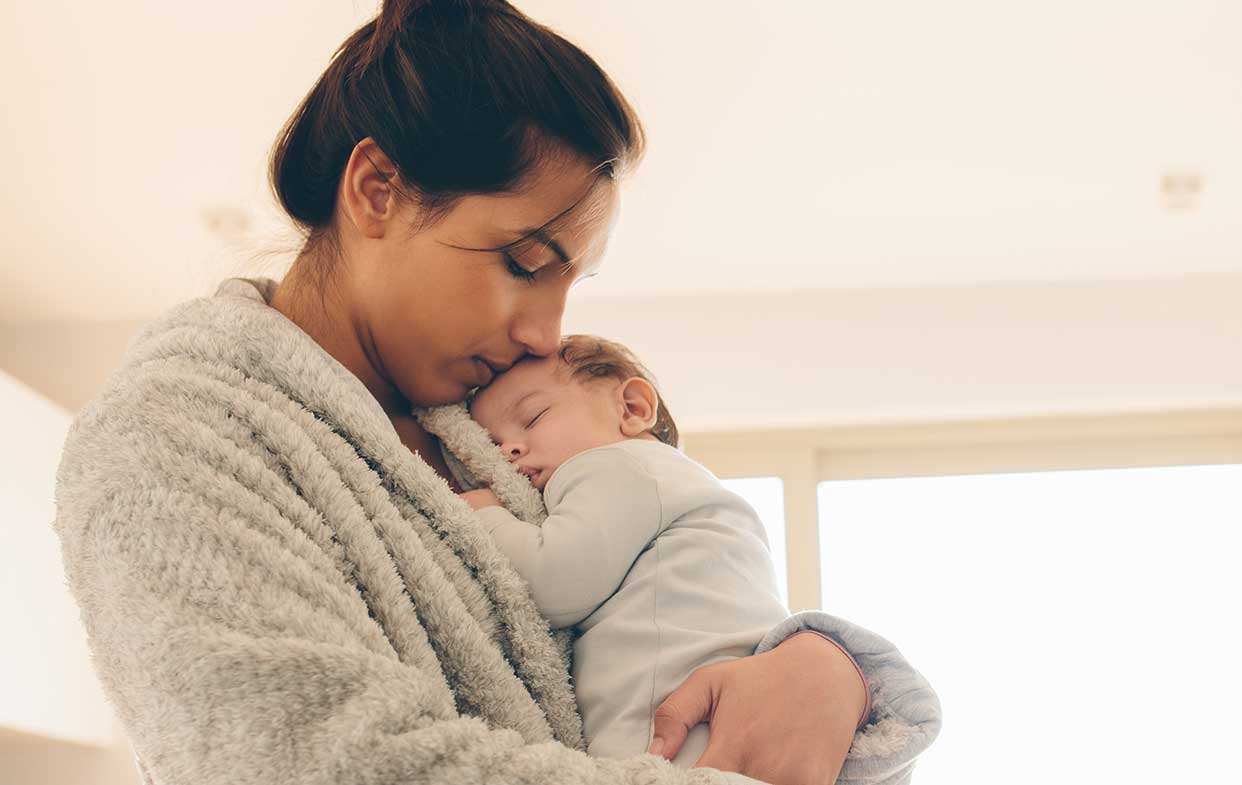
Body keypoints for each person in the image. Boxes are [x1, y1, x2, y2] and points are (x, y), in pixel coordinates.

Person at [50, 2, 938, 784]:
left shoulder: (475, 427)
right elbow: (323, 762)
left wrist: (826, 665)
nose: (546, 334)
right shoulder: (168, 435)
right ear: (377, 191)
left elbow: (657, 608)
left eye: (567, 284)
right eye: (523, 264)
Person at [458, 335, 803, 766]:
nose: (508, 451)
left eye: (533, 416)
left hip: (672, 727)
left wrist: (485, 513)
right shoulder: (680, 484)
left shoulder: (621, 465)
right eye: (492, 445)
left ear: (633, 408)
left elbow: (555, 583)